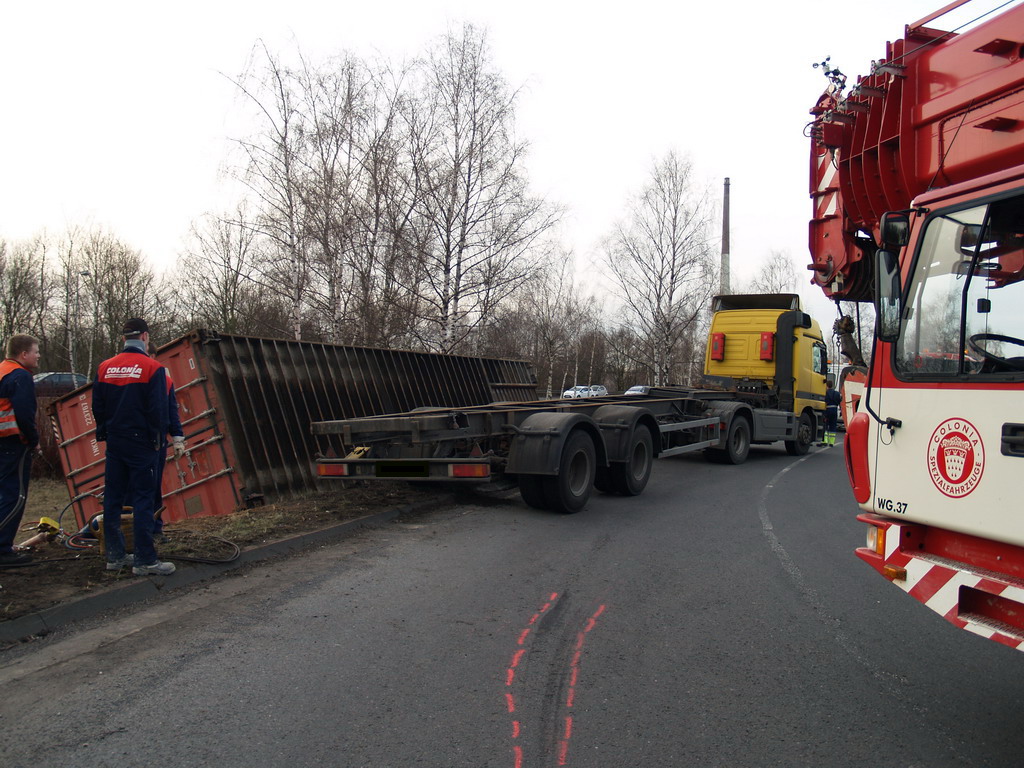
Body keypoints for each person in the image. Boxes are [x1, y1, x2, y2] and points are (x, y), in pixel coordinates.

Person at [93, 318, 175, 576]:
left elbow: (98, 406)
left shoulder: (105, 368)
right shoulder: (153, 368)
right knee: (143, 498)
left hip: (115, 440)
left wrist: (105, 431)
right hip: (142, 441)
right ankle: (145, 560)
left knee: (114, 497)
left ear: (123, 338)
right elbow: (158, 410)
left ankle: (115, 556)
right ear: (145, 337)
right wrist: (157, 438)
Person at [0, 335, 41, 567]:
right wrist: (33, 440)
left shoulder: (2, 371)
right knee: (15, 496)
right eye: (35, 351)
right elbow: (25, 414)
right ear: (23, 354)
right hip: (14, 443)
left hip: (1, 442)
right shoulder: (21, 377)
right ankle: (3, 549)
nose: (38, 356)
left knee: (4, 494)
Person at [146, 340, 185, 542]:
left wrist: (177, 437)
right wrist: (177, 436)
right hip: (153, 440)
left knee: (150, 486)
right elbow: (172, 411)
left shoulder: (163, 376)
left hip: (150, 440)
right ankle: (150, 529)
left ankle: (153, 528)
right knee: (150, 487)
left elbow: (171, 407)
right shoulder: (161, 375)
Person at [823, 381, 841, 447]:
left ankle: (825, 441)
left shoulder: (825, 393)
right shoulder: (837, 393)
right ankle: (831, 443)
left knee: (825, 425)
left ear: (827, 386)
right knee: (833, 426)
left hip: (827, 410)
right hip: (834, 410)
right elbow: (839, 401)